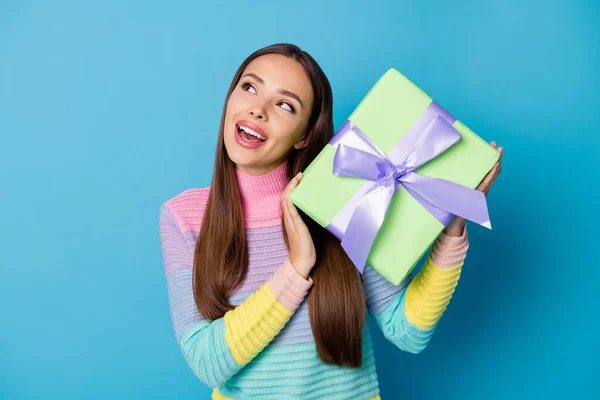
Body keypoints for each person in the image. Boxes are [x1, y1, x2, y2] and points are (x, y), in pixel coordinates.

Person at [158, 43, 503, 400]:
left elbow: (408, 332)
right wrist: (296, 269)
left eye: (284, 105)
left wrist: (452, 227)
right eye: (249, 87)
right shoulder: (184, 217)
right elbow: (206, 363)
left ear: (305, 136)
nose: (258, 110)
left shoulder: (346, 199)